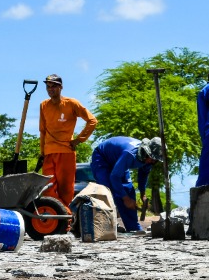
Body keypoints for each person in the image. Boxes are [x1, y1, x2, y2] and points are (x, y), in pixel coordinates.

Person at [38, 73, 97, 206]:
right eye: (48, 87)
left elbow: (92, 121)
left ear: (61, 87)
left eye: (54, 86)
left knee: (66, 190)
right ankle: (54, 218)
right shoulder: (44, 105)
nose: (50, 89)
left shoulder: (71, 104)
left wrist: (78, 140)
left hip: (66, 152)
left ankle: (66, 221)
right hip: (48, 152)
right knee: (48, 188)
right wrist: (42, 151)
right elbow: (42, 130)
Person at [89, 136, 160, 232]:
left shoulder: (149, 161)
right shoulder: (130, 154)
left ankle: (133, 227)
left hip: (119, 161)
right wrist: (125, 199)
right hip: (102, 158)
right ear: (146, 152)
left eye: (155, 161)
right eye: (151, 159)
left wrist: (143, 194)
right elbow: (114, 177)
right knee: (108, 191)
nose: (151, 162)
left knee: (128, 190)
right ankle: (108, 226)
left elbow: (143, 176)